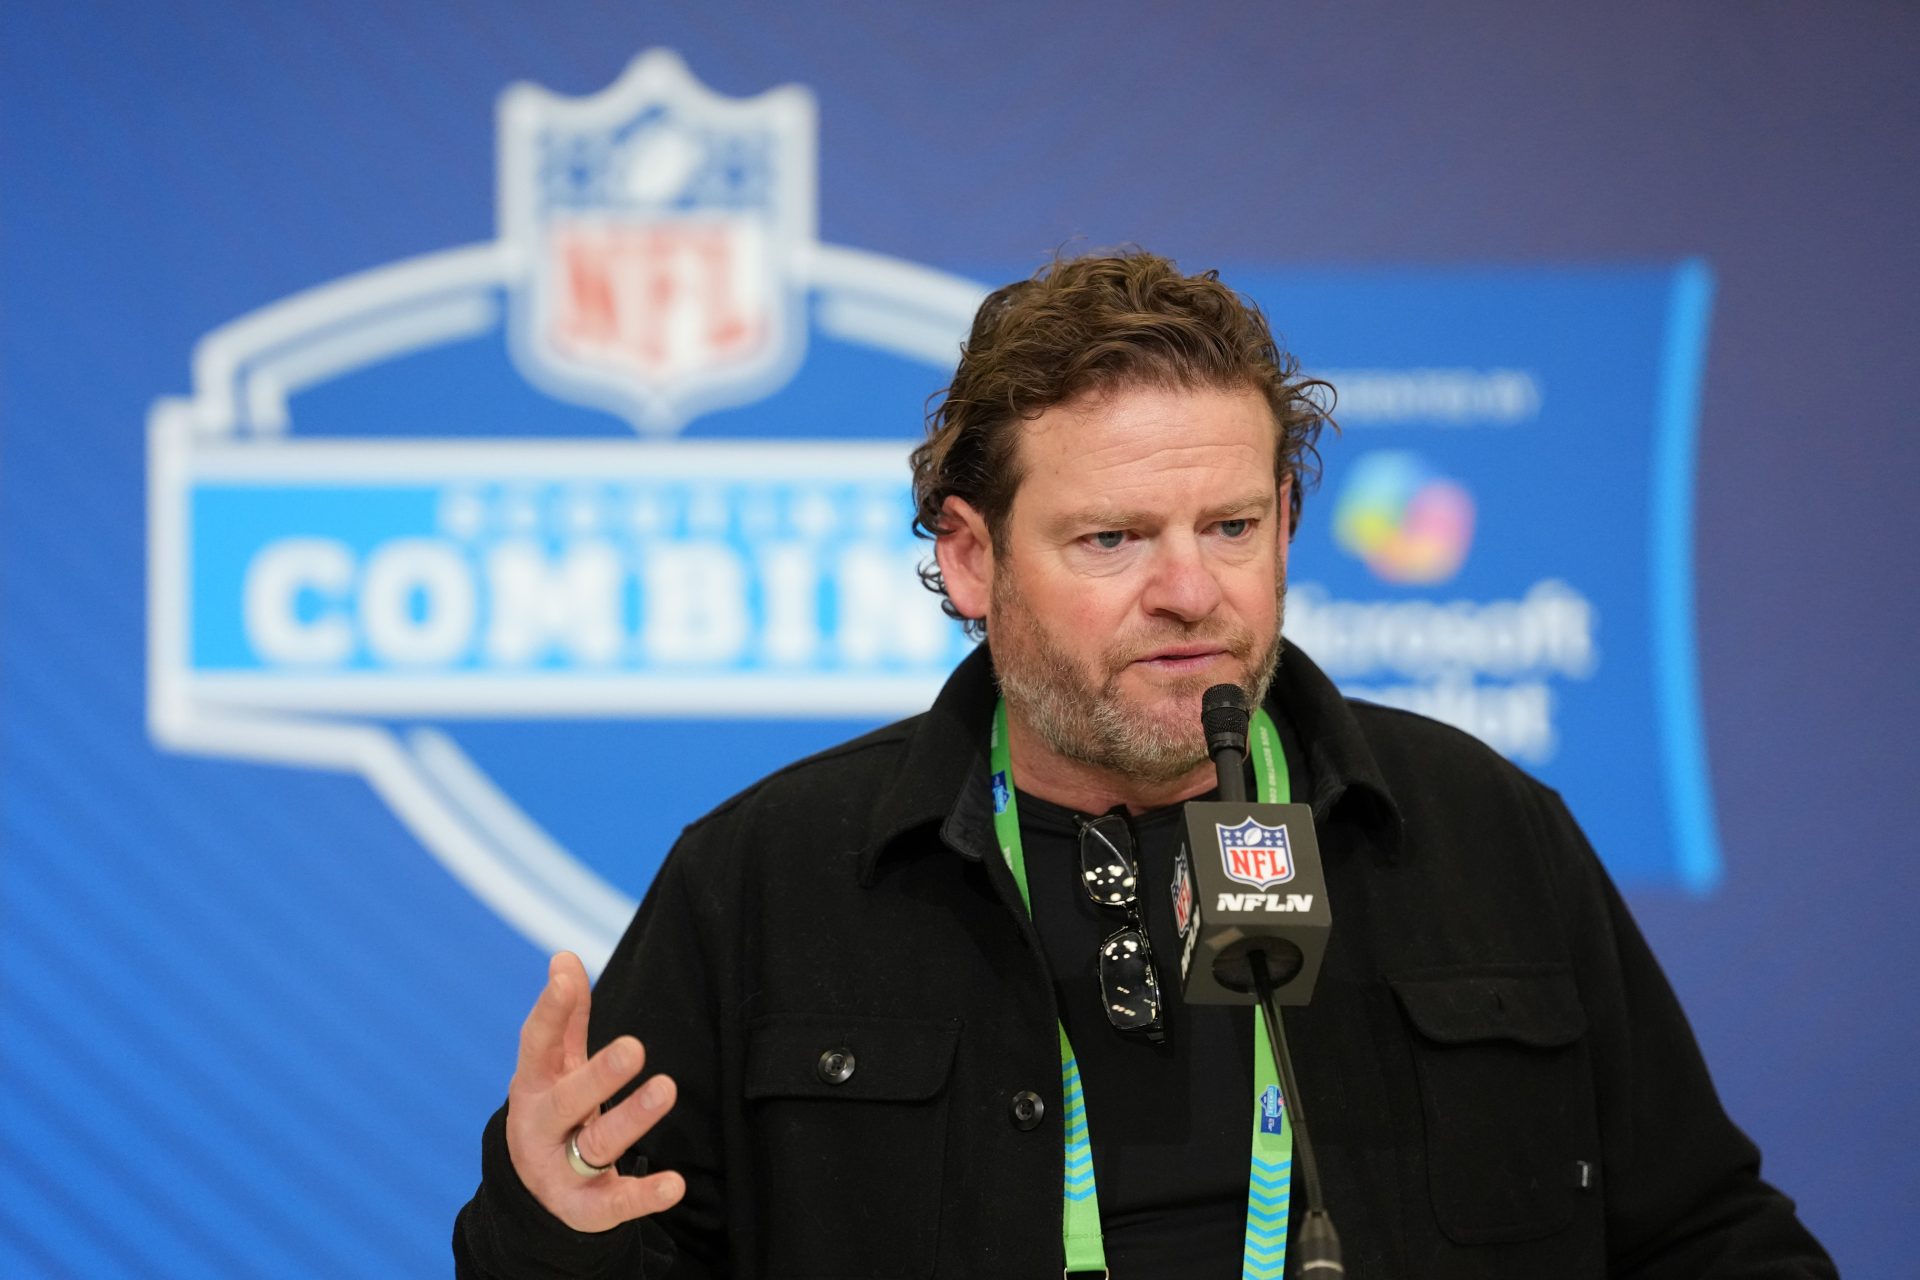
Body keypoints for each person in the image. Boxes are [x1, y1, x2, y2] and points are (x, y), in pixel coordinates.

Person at [455, 251, 1835, 1278]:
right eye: (1112, 540)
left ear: (1286, 519)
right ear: (971, 558)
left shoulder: (1479, 832)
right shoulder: (770, 877)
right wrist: (548, 1228)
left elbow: (1707, 1238)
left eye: (1231, 527)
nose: (1191, 592)